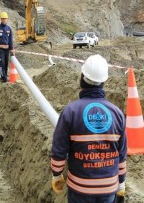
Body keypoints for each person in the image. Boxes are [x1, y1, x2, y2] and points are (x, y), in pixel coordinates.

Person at [50, 54, 127, 203]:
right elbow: (121, 153)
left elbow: (59, 149)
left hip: (80, 189)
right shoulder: (117, 113)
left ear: (82, 78)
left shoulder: (71, 111)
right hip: (109, 188)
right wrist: (121, 182)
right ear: (104, 82)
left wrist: (57, 174)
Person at [0, 12, 14, 83]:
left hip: (7, 49)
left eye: (5, 18)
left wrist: (11, 49)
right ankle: (3, 78)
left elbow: (10, 40)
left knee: (6, 64)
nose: (4, 20)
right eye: (2, 18)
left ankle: (5, 76)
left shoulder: (9, 29)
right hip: (0, 49)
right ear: (1, 19)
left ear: (7, 19)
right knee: (1, 64)